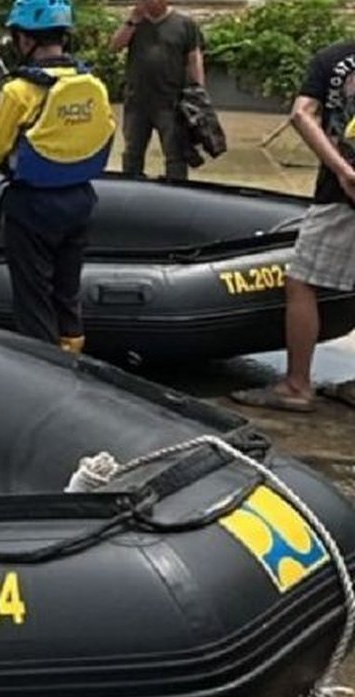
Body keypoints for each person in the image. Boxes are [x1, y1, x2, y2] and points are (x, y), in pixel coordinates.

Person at [0, 0, 116, 353]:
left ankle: (42, 369)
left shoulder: (19, 90)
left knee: (33, 299)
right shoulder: (92, 83)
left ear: (25, 40)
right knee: (67, 295)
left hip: (33, 206)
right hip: (80, 199)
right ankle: (73, 357)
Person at [231, 41, 355, 413]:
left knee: (301, 281)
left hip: (342, 194)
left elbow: (302, 115)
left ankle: (297, 385)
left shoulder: (332, 58)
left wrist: (343, 169)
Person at [108, 0, 205, 181]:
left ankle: (176, 192)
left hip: (171, 102)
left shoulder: (184, 24)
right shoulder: (135, 23)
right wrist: (132, 21)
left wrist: (199, 95)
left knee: (175, 155)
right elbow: (114, 47)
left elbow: (194, 60)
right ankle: (132, 192)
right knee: (132, 154)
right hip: (137, 102)